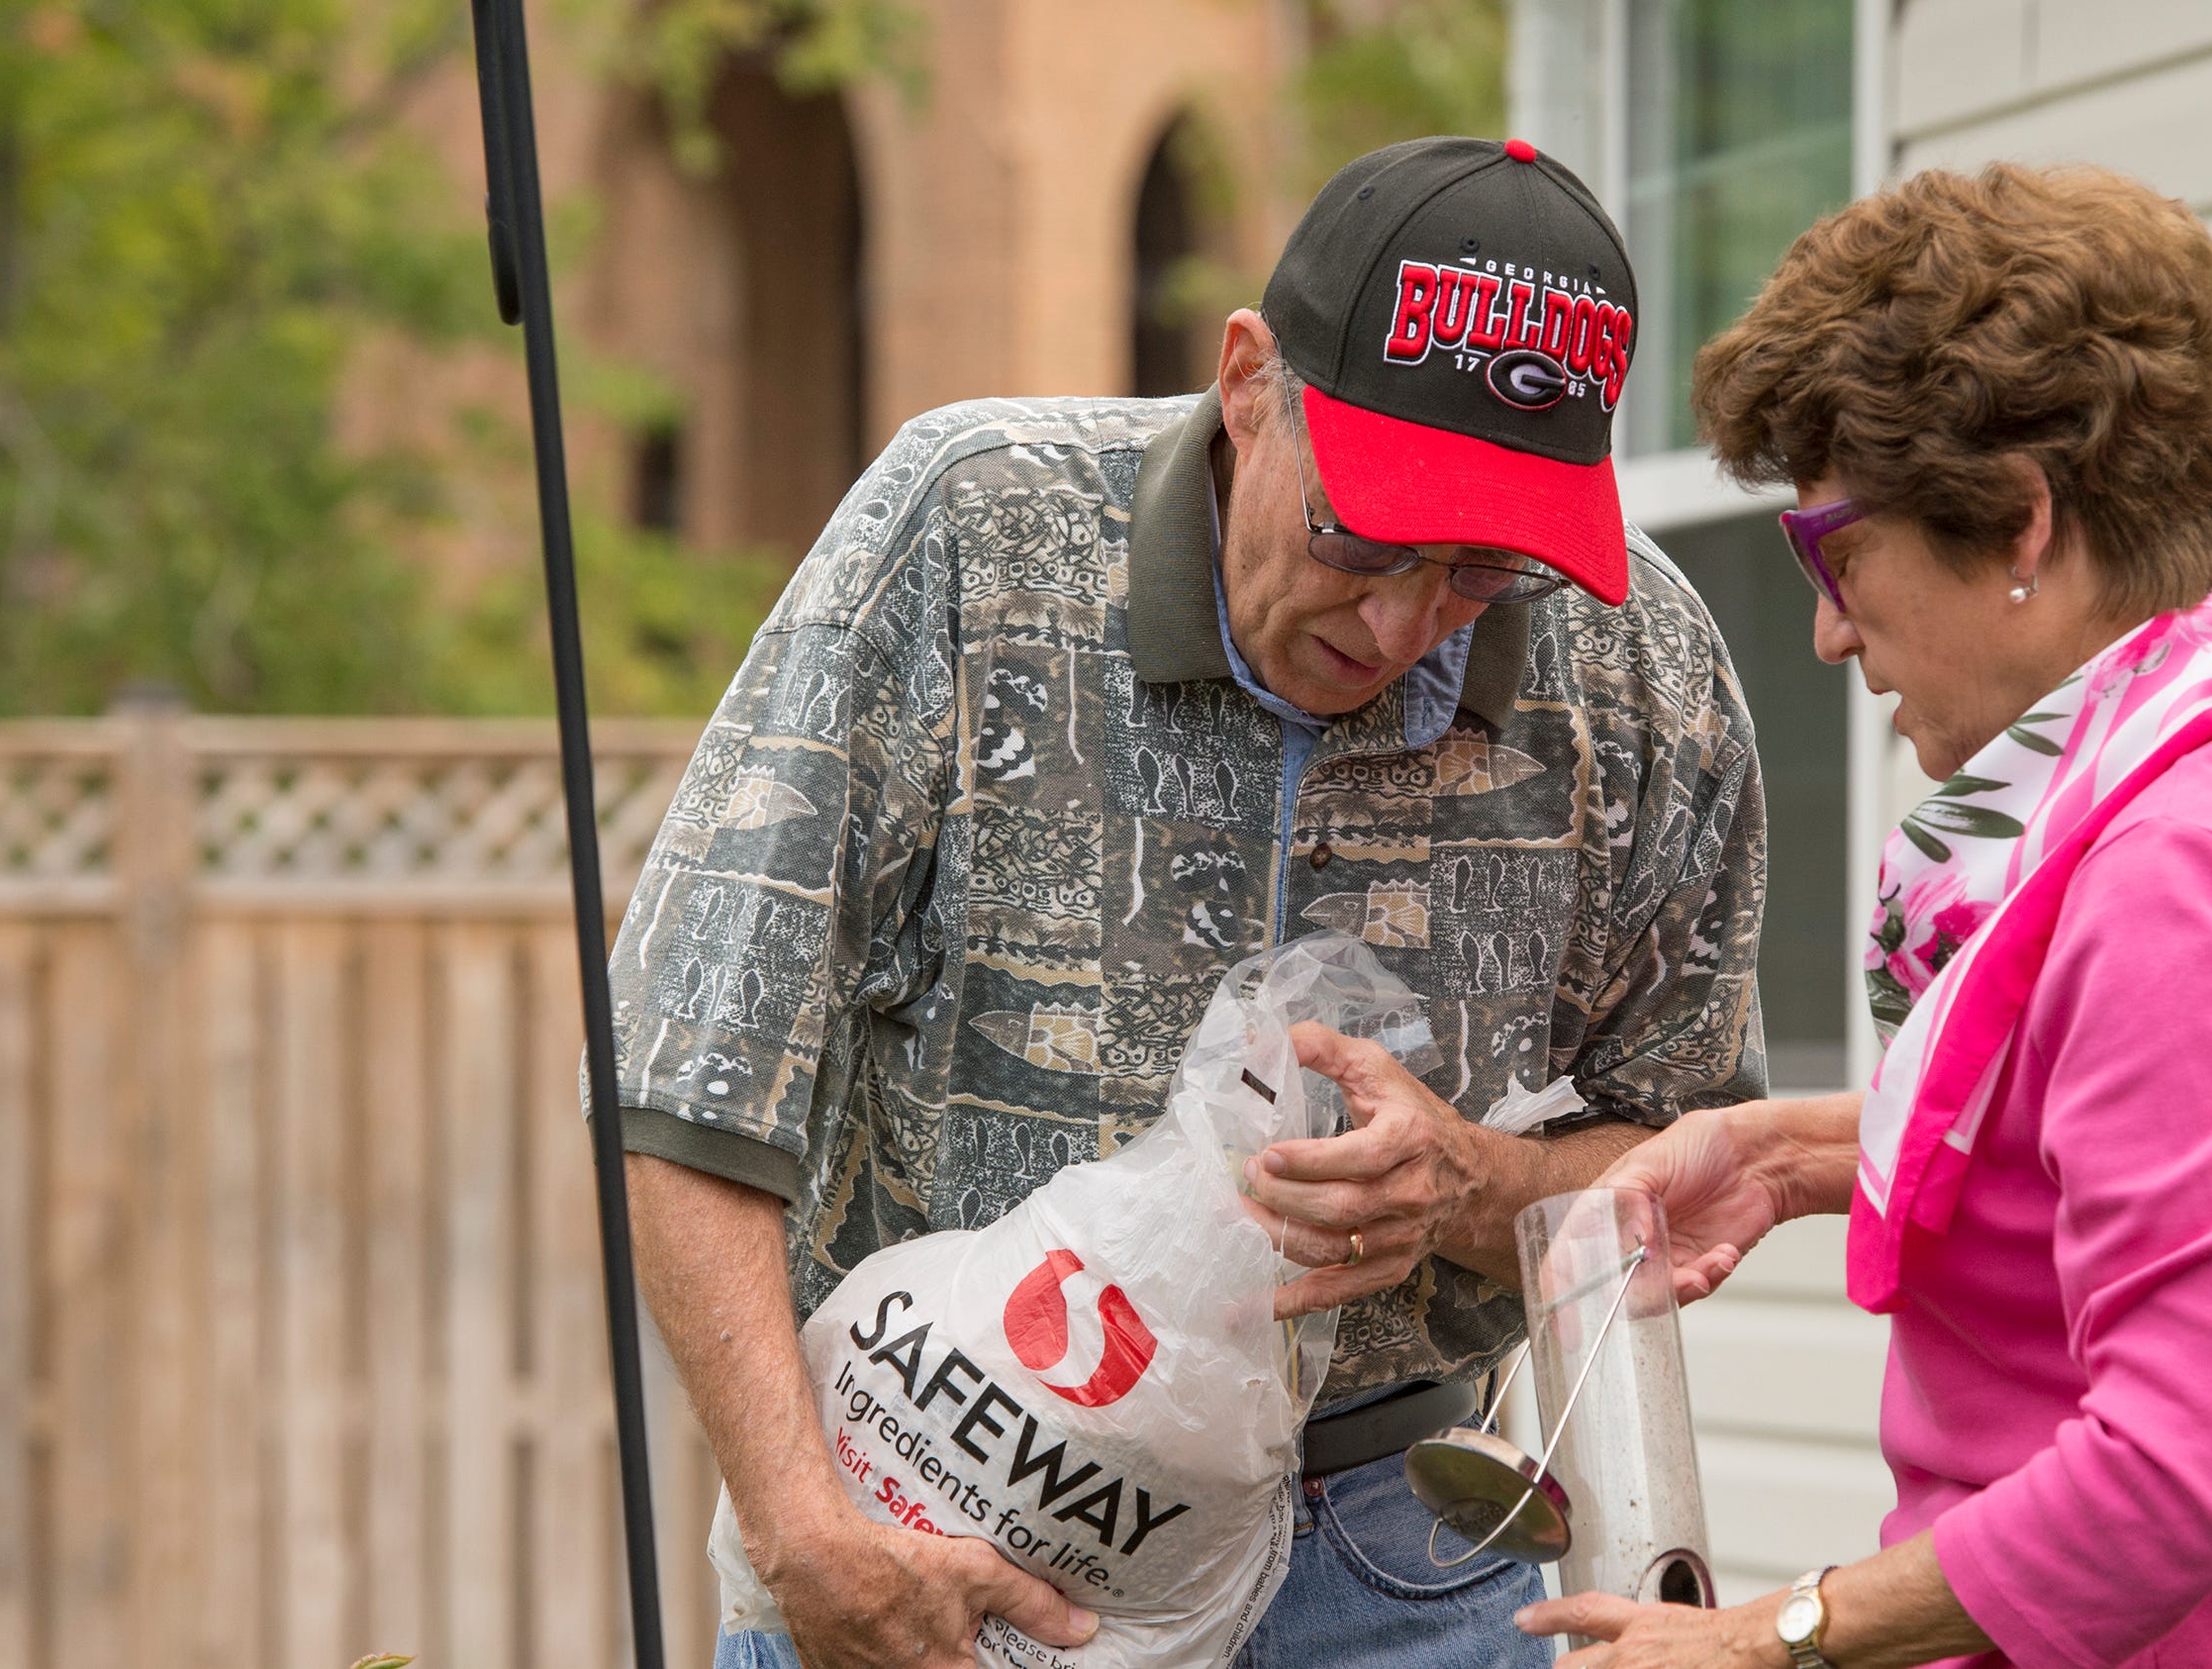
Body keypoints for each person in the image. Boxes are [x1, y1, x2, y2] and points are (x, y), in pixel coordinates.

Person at [608, 136, 1771, 1669]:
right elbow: (689, 1058)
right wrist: (798, 1524)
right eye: (1364, 533)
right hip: (949, 1502)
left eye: (1480, 571)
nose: (1400, 619)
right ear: (1247, 383)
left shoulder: (1641, 667)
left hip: (1398, 1551)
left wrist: (1478, 1183)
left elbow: (1690, 1162)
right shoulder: (975, 530)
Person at [1489, 164, 2212, 1666]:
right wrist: (1789, 1154)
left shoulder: (2181, 876)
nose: (1828, 629)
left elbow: (2176, 1481)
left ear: (2023, 523)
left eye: (1838, 550)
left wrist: (1767, 1638)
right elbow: (2201, 1140)